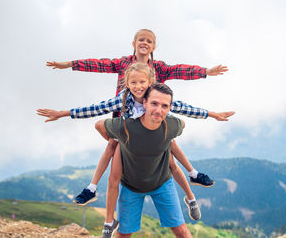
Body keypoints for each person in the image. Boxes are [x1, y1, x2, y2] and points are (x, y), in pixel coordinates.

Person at [37, 63, 234, 237]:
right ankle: (92, 188)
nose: (139, 87)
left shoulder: (160, 102)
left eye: (143, 83)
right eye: (134, 83)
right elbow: (95, 109)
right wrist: (63, 113)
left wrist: (213, 114)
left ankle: (193, 177)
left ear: (150, 83)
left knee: (170, 151)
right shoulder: (123, 100)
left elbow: (185, 109)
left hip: (158, 141)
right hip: (129, 140)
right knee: (113, 152)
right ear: (127, 84)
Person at [46, 30, 227, 204]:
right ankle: (91, 189)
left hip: (153, 116)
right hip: (127, 115)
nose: (144, 43)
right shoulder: (123, 67)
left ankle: (193, 177)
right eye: (141, 39)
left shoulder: (159, 69)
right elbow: (99, 66)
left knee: (169, 145)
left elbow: (181, 72)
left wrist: (206, 73)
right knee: (113, 146)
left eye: (149, 41)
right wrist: (70, 65)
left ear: (153, 47)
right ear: (134, 44)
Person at [107, 83, 194, 237]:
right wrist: (120, 143)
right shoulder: (126, 126)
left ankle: (192, 200)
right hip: (130, 187)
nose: (158, 110)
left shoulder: (172, 125)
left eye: (164, 106)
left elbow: (183, 125)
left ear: (169, 108)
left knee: (181, 231)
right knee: (124, 234)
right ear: (144, 103)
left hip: (162, 183)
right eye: (154, 103)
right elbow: (100, 125)